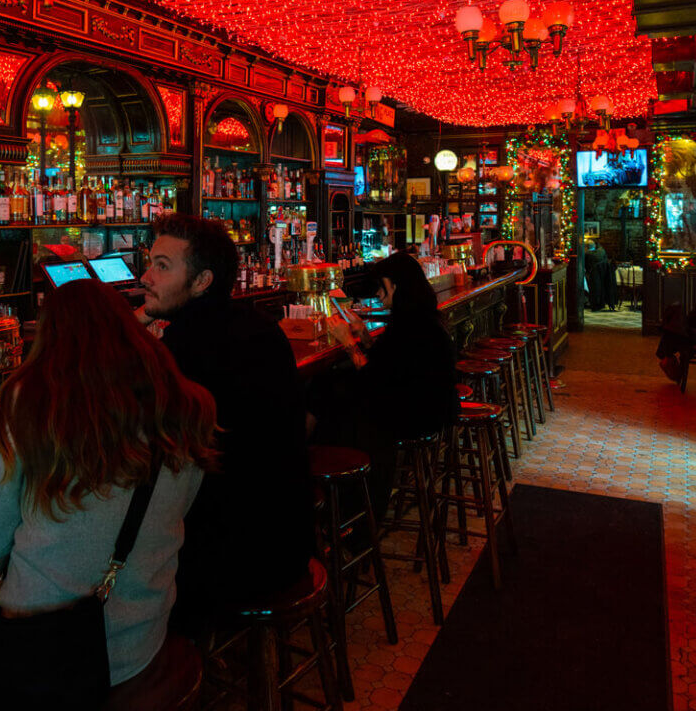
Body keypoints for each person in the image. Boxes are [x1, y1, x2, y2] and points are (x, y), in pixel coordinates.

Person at [0, 279, 218, 694]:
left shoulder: (27, 403)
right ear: (128, 324)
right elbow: (179, 508)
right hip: (140, 639)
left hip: (43, 653)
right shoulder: (188, 404)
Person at [139, 213, 314, 628]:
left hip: (230, 562)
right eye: (150, 262)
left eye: (162, 266)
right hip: (290, 540)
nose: (146, 277)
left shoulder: (181, 353)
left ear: (202, 282)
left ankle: (165, 664)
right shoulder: (259, 327)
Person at [313, 253, 459, 510]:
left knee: (325, 394)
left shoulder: (409, 326)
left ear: (396, 285)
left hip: (413, 417)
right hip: (434, 411)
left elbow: (375, 380)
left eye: (382, 286)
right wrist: (366, 338)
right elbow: (391, 366)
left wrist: (349, 345)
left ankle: (340, 500)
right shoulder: (420, 318)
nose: (379, 294)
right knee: (331, 388)